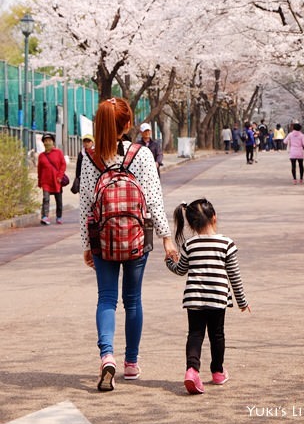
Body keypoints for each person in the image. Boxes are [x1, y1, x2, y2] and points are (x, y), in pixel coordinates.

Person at [79, 97, 177, 391]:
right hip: (137, 238)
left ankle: (106, 354)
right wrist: (166, 238)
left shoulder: (92, 157)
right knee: (132, 300)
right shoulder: (142, 154)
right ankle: (131, 363)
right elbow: (153, 200)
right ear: (127, 124)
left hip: (103, 240)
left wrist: (87, 244)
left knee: (106, 298)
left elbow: (86, 204)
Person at [166, 198, 250, 394]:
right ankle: (218, 372)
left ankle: (192, 370)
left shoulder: (190, 244)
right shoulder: (226, 244)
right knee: (217, 335)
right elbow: (234, 276)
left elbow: (180, 270)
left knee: (195, 334)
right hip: (217, 299)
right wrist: (242, 301)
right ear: (214, 217)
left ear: (192, 224)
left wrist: (169, 262)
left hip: (194, 298)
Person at [37, 132, 66, 225]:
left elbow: (63, 164)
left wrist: (60, 176)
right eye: (45, 141)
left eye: (49, 140)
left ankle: (59, 216)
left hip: (57, 180)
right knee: (45, 199)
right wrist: (39, 181)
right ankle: (45, 216)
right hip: (45, 181)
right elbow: (39, 169)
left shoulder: (58, 153)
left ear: (53, 142)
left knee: (59, 200)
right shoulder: (41, 156)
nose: (47, 142)